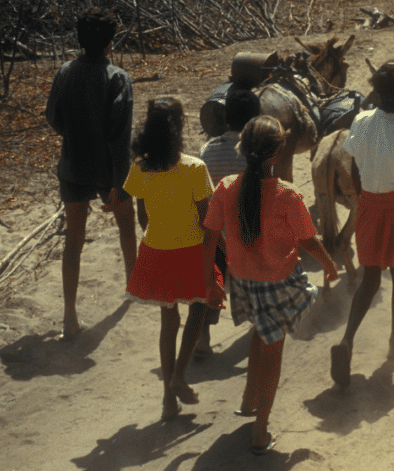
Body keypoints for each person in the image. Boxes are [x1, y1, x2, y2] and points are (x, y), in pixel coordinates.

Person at [203, 116, 338, 454]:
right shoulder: (287, 194)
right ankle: (260, 431)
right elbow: (308, 241)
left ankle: (249, 399)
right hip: (277, 283)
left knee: (260, 330)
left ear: (243, 148)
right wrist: (329, 264)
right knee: (273, 351)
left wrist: (212, 279)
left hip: (243, 282)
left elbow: (210, 236)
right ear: (276, 154)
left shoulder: (225, 188)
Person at [330, 61, 394, 388]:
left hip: (369, 208)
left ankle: (347, 340)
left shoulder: (360, 122)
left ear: (375, 90)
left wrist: (363, 200)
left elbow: (355, 166)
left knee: (370, 278)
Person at [123, 97, 225, 421]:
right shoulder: (194, 167)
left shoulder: (139, 168)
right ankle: (180, 373)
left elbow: (142, 217)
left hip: (156, 250)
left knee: (169, 322)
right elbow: (206, 219)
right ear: (180, 127)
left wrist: (160, 234)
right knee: (199, 306)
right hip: (191, 249)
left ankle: (168, 399)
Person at [45, 7, 137, 340]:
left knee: (74, 241)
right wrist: (118, 183)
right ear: (110, 42)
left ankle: (69, 317)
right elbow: (120, 137)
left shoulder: (65, 72)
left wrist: (75, 133)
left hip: (72, 166)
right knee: (126, 226)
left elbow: (53, 118)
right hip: (109, 171)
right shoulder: (118, 78)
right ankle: (133, 288)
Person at [193, 89, 262, 358]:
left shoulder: (206, 151)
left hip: (212, 233)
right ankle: (259, 319)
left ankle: (202, 337)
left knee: (212, 280)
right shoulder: (254, 154)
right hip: (244, 234)